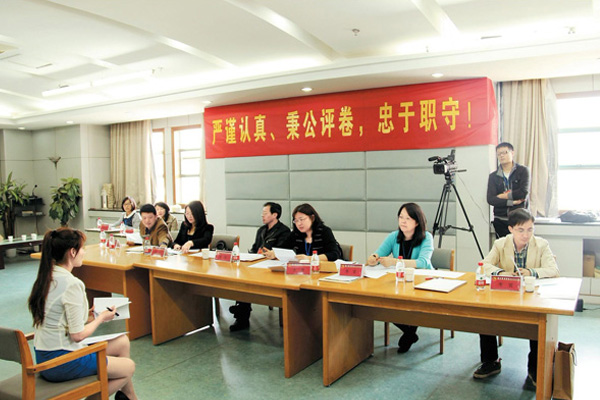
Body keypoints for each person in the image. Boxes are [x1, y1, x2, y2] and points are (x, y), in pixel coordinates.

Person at [27, 228, 138, 400]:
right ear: (72, 252)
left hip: (45, 355)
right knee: (128, 367)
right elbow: (77, 335)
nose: (84, 252)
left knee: (122, 342)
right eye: (82, 248)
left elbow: (58, 318)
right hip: (62, 360)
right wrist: (101, 318)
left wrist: (88, 316)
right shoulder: (72, 283)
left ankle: (129, 397)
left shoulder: (46, 277)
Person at [473, 208, 559, 386]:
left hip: (532, 297)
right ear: (510, 229)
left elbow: (553, 270)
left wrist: (531, 272)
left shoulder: (541, 244)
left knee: (537, 325)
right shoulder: (501, 243)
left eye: (530, 229)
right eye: (521, 230)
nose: (526, 235)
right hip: (506, 294)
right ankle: (491, 362)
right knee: (485, 316)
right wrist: (501, 272)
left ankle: (534, 369)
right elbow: (484, 265)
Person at [367, 202, 434, 353]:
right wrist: (374, 257)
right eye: (401, 217)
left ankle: (409, 334)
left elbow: (423, 263)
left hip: (422, 281)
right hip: (398, 281)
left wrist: (395, 262)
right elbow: (379, 253)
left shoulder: (426, 237)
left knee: (416, 305)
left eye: (408, 218)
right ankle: (409, 332)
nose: (403, 221)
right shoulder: (393, 236)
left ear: (417, 222)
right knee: (382, 304)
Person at [229, 202, 291, 332]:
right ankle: (242, 316)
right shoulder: (261, 230)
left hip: (273, 268)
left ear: (275, 215)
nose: (262, 216)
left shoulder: (284, 231)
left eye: (265, 213)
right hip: (258, 264)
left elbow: (282, 252)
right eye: (262, 213)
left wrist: (267, 253)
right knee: (243, 279)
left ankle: (241, 311)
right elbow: (254, 248)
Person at [265, 203, 341, 262]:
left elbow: (334, 254)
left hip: (322, 270)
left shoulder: (325, 231)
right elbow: (283, 248)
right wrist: (274, 253)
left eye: (301, 219)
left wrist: (310, 258)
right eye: (296, 221)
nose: (299, 223)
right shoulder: (295, 234)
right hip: (302, 271)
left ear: (312, 218)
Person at [487, 142, 530, 238]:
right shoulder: (493, 176)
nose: (501, 156)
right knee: (503, 246)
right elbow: (491, 199)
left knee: (520, 246)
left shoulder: (523, 171)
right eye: (499, 154)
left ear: (512, 153)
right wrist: (512, 202)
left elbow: (523, 193)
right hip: (500, 220)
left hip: (520, 219)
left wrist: (504, 196)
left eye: (505, 152)